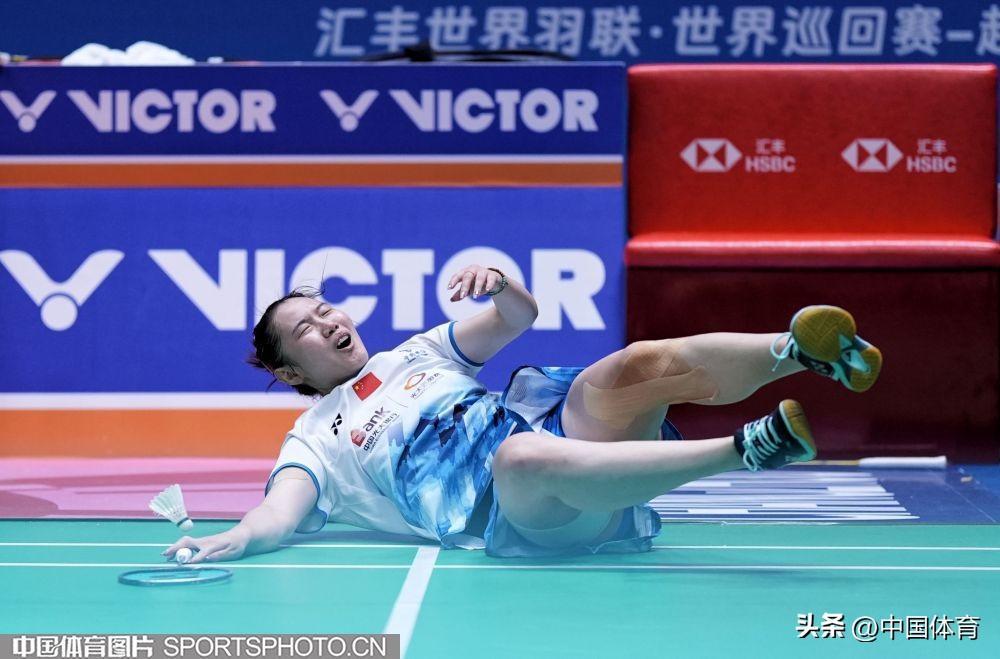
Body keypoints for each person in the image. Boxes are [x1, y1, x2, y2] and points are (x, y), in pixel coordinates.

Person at [164, 264, 882, 562]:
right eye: (307, 330)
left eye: (326, 310)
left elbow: (517, 317)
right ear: (290, 372)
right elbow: (278, 514)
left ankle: (803, 350)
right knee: (518, 458)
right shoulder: (314, 440)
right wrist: (236, 538)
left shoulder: (417, 353)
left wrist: (501, 285)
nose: (328, 323)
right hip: (524, 513)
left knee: (632, 366)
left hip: (563, 439)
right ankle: (746, 449)